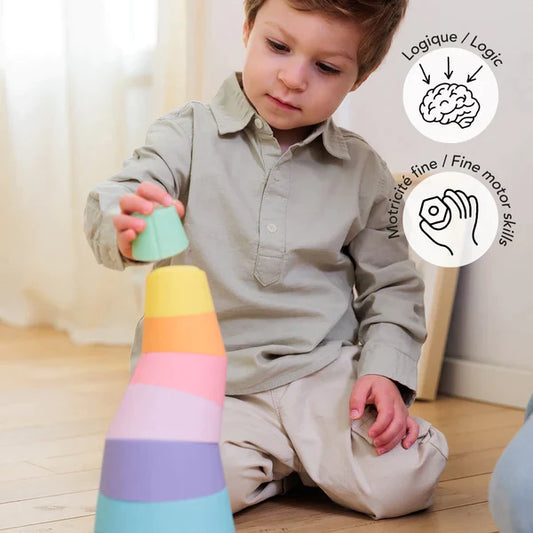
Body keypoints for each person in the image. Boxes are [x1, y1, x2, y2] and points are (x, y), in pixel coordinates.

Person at [85, 0, 448, 519]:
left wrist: (385, 374)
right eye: (278, 47)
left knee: (404, 481)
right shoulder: (185, 134)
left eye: (326, 68)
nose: (294, 78)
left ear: (359, 78)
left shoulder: (363, 169)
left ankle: (294, 458)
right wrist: (126, 218)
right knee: (188, 490)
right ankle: (287, 467)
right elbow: (122, 192)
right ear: (249, 28)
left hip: (324, 376)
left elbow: (391, 285)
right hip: (214, 385)